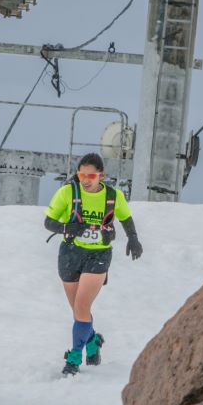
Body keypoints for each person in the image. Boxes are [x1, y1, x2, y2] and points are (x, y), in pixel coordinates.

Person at [43, 153, 142, 377]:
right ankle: (94, 340)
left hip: (98, 254)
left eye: (91, 175)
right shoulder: (68, 192)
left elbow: (126, 218)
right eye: (81, 174)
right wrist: (66, 228)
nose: (86, 180)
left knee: (81, 307)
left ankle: (74, 357)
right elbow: (48, 222)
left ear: (101, 175)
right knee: (80, 310)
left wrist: (133, 238)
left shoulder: (112, 196)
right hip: (70, 253)